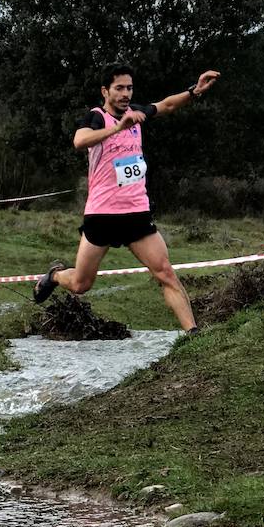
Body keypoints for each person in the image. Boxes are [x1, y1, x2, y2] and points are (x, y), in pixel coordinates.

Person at [32, 63, 220, 333]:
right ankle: (54, 275)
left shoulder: (137, 112)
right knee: (80, 285)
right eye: (119, 88)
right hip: (102, 214)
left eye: (129, 88)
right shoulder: (96, 117)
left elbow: (166, 105)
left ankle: (193, 334)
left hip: (136, 213)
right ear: (105, 91)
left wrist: (195, 91)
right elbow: (79, 140)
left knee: (166, 273)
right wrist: (119, 127)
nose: (125, 94)